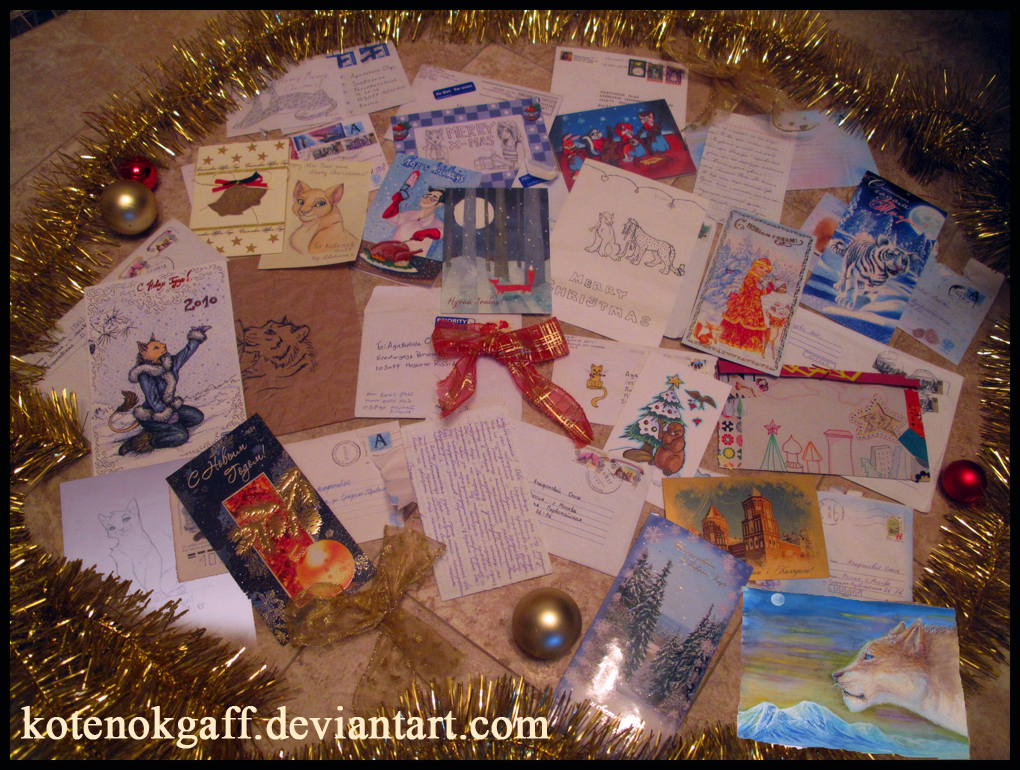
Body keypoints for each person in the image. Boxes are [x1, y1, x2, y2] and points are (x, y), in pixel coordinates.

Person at [720, 258, 786, 354]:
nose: (763, 271)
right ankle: (736, 341)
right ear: (755, 266)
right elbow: (753, 291)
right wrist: (766, 291)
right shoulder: (751, 276)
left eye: (766, 270)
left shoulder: (756, 278)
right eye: (761, 267)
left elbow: (756, 291)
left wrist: (766, 289)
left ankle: (743, 343)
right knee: (743, 320)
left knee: (750, 322)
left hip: (753, 303)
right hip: (745, 303)